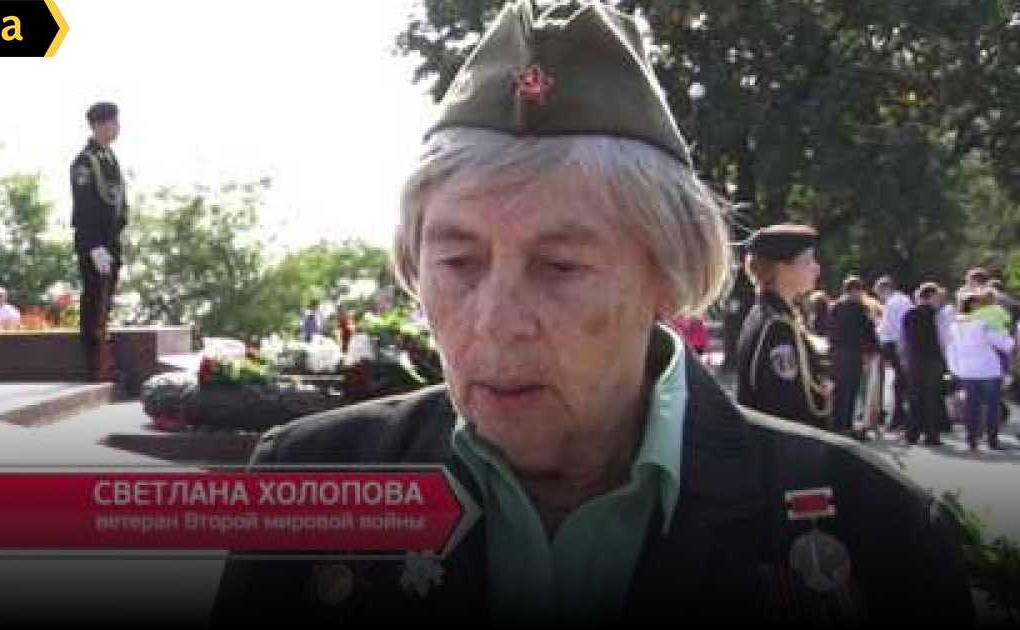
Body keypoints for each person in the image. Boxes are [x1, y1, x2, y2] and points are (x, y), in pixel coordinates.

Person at [210, 2, 974, 626]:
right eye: (458, 262)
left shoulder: (874, 529)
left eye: (560, 267)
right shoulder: (308, 483)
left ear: (668, 278)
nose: (497, 320)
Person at [734, 224, 831, 429]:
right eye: (808, 261)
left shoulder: (767, 314)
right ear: (782, 268)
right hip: (781, 443)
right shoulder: (777, 327)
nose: (816, 268)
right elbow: (786, 408)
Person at [71, 101, 127, 380]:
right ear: (98, 125)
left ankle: (105, 360)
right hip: (94, 244)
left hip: (110, 241)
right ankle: (94, 363)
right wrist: (94, 246)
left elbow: (119, 203)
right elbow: (85, 208)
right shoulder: (85, 161)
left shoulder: (109, 158)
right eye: (113, 122)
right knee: (94, 300)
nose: (117, 127)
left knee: (106, 302)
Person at [949, 289, 1014, 450]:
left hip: (966, 371)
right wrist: (1008, 334)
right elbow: (1005, 345)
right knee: (992, 406)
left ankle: (972, 440)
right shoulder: (983, 323)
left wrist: (956, 370)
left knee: (972, 406)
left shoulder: (954, 326)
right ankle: (992, 441)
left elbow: (951, 350)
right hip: (988, 370)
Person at [826, 276, 878, 438]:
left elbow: (830, 331)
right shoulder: (861, 309)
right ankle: (846, 425)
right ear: (856, 290)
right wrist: (872, 350)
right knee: (850, 390)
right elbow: (868, 332)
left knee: (839, 390)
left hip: (837, 354)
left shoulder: (835, 307)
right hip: (853, 354)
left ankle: (836, 424)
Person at [901, 283, 951, 446]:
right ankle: (931, 435)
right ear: (930, 297)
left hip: (914, 361)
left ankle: (911, 434)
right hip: (932, 361)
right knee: (932, 398)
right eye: (936, 297)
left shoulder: (909, 314)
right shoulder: (936, 315)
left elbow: (904, 339)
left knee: (915, 397)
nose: (939, 300)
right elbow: (942, 339)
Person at [873, 275, 913, 430]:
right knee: (901, 382)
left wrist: (877, 331)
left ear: (885, 289)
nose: (879, 297)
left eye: (879, 293)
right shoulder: (904, 299)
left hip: (895, 345)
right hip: (903, 343)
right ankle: (901, 416)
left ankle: (898, 418)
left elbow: (891, 327)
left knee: (899, 383)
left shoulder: (892, 303)